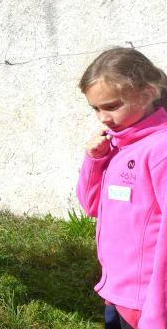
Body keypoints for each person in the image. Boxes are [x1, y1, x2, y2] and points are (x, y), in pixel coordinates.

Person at [76, 47, 167, 329]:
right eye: (95, 108)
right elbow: (91, 207)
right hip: (117, 293)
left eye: (112, 106)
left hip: (147, 305)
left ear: (147, 94)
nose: (102, 117)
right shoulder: (117, 143)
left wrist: (157, 312)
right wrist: (95, 160)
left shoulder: (160, 150)